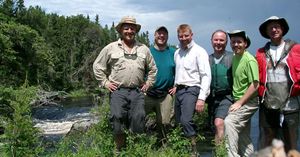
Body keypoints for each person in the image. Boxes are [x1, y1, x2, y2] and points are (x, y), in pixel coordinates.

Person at [92, 16, 157, 152]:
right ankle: (119, 150)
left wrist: (148, 83)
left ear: (136, 30)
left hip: (137, 91)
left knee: (138, 119)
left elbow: (152, 69)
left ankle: (136, 150)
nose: (129, 31)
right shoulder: (111, 48)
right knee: (117, 119)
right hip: (118, 91)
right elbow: (98, 66)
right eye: (126, 28)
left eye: (132, 28)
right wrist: (105, 82)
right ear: (121, 30)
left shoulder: (143, 49)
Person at [256, 16, 300, 152]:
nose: (274, 30)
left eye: (277, 26)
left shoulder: (295, 49)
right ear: (267, 31)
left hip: (290, 103)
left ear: (282, 29)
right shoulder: (261, 52)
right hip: (268, 104)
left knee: (291, 143)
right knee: (267, 142)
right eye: (271, 27)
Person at [174, 24, 211, 156]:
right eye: (180, 36)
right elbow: (178, 72)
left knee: (186, 120)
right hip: (179, 90)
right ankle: (182, 150)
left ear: (192, 35)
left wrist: (201, 98)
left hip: (192, 89)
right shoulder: (177, 52)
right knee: (178, 122)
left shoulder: (199, 51)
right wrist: (175, 85)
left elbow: (206, 76)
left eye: (186, 36)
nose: (183, 38)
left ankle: (194, 151)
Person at [224, 30, 259, 157]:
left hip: (248, 102)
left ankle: (232, 155)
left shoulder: (250, 60)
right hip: (239, 101)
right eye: (233, 42)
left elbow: (255, 85)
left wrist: (239, 102)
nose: (236, 45)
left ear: (245, 44)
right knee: (244, 137)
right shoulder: (235, 57)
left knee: (229, 122)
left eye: (239, 42)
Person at [144, 26, 176, 143]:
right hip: (148, 93)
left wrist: (176, 86)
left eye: (164, 34)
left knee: (164, 122)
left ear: (167, 36)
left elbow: (180, 71)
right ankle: (138, 142)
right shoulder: (147, 51)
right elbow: (140, 69)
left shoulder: (173, 52)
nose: (161, 36)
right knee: (137, 116)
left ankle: (162, 144)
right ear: (155, 35)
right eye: (159, 33)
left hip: (165, 94)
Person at [206, 29, 233, 144]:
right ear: (211, 41)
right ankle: (220, 151)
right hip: (212, 98)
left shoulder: (233, 58)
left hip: (227, 96)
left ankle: (222, 153)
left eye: (221, 40)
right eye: (216, 40)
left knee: (219, 123)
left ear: (226, 42)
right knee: (214, 127)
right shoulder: (207, 59)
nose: (218, 42)